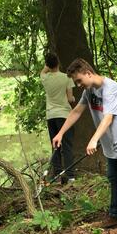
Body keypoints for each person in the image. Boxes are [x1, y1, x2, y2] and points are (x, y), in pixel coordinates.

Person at [52, 58, 117, 234]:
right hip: (108, 141)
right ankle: (115, 215)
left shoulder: (111, 89)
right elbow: (77, 110)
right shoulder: (89, 90)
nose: (78, 85)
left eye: (79, 80)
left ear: (88, 73)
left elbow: (108, 117)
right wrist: (60, 132)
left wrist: (93, 140)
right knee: (113, 179)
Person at [40, 53, 75, 183]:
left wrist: (47, 66)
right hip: (64, 115)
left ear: (48, 65)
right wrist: (73, 99)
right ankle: (70, 176)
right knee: (67, 145)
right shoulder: (66, 78)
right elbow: (70, 98)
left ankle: (57, 176)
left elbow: (43, 70)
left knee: (55, 146)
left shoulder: (44, 77)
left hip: (51, 116)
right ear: (58, 63)